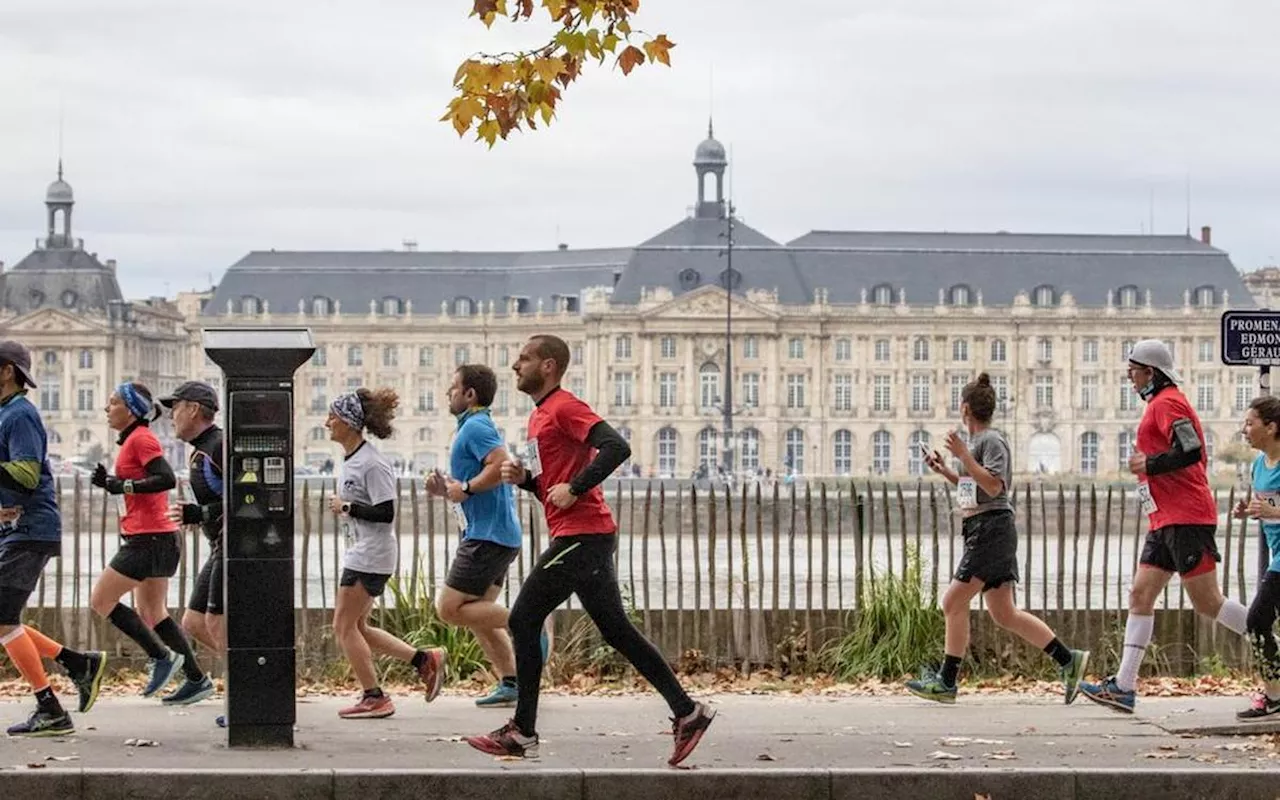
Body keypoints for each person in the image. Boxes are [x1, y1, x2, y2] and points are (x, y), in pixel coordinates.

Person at [463, 335, 715, 766]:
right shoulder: (541, 416)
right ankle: (688, 711)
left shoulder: (564, 405)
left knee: (523, 619)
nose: (513, 366)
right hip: (586, 534)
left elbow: (617, 446)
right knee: (617, 631)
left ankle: (522, 731)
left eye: (523, 359)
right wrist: (525, 480)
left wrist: (576, 487)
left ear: (548, 366)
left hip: (583, 536)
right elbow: (554, 488)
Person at [1079, 340, 1249, 712]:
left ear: (1151, 372)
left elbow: (1190, 450)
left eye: (1134, 371)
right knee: (1140, 595)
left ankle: (1269, 642)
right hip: (1164, 519)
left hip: (1187, 516)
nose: (1130, 377)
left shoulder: (1169, 402)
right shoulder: (1158, 404)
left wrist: (1149, 464)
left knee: (1207, 603)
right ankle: (1124, 686)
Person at [905, 374, 1088, 704]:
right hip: (986, 528)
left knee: (951, 602)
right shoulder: (978, 446)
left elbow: (994, 487)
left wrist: (963, 455)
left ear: (965, 409)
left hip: (992, 531)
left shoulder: (991, 441)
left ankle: (946, 683)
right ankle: (1068, 660)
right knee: (1004, 614)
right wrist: (946, 470)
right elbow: (973, 488)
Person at [425, 365, 546, 708]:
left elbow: (500, 465)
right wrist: (446, 488)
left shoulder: (476, 426)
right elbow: (476, 482)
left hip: (487, 536)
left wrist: (464, 487)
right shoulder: (473, 426)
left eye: (453, 388)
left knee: (449, 609)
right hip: (496, 534)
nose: (448, 394)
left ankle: (528, 623)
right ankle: (512, 681)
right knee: (477, 612)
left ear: (470, 395)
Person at [0, 341, 105, 736]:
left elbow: (26, 477)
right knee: (3, 618)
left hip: (30, 531)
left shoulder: (20, 415)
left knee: (1, 618)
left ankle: (52, 709)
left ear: (7, 370)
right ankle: (79, 664)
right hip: (17, 529)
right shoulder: (6, 414)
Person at [326, 388, 446, 719]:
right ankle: (424, 660)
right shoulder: (353, 459)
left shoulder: (372, 463)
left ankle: (375, 696)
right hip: (363, 552)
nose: (327, 423)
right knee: (358, 627)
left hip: (371, 554)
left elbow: (386, 512)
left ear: (350, 423)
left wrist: (347, 506)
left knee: (342, 626)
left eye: (333, 417)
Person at [91, 382, 212, 705]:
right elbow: (137, 485)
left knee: (101, 600)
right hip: (157, 536)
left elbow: (165, 478)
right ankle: (196, 679)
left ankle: (161, 657)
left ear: (130, 410)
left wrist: (122, 485)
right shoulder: (134, 439)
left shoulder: (141, 438)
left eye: (113, 402)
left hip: (149, 538)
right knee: (151, 611)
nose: (107, 408)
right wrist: (112, 484)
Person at [159, 381, 227, 726]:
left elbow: (250, 498)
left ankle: (249, 691)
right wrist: (198, 515)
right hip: (218, 544)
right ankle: (250, 679)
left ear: (195, 410)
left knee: (214, 621)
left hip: (231, 546)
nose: (172, 415)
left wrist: (199, 514)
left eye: (177, 407)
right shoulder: (201, 449)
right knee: (194, 622)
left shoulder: (217, 447)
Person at [1232, 396, 1280, 720]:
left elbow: (1274, 509)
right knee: (1260, 622)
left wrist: (1273, 511)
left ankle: (1274, 694)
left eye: (1251, 423)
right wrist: (1248, 511)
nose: (1245, 430)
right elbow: (1265, 508)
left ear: (1271, 427)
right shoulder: (1258, 465)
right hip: (1277, 553)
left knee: (1256, 620)